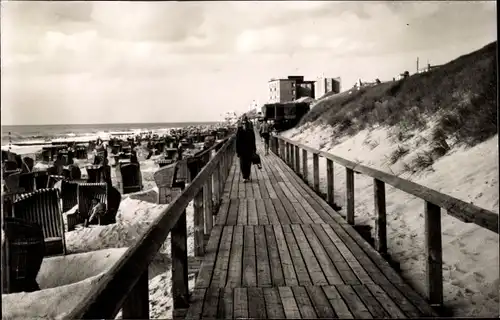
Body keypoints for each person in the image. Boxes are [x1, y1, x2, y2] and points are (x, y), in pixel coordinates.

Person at [236, 115, 256, 183]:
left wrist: (254, 150)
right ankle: (245, 176)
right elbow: (237, 142)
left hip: (249, 150)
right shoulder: (239, 131)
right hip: (242, 151)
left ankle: (247, 176)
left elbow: (253, 141)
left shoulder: (250, 131)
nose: (244, 124)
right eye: (243, 123)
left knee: (248, 164)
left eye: (245, 123)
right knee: (242, 164)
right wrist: (237, 151)